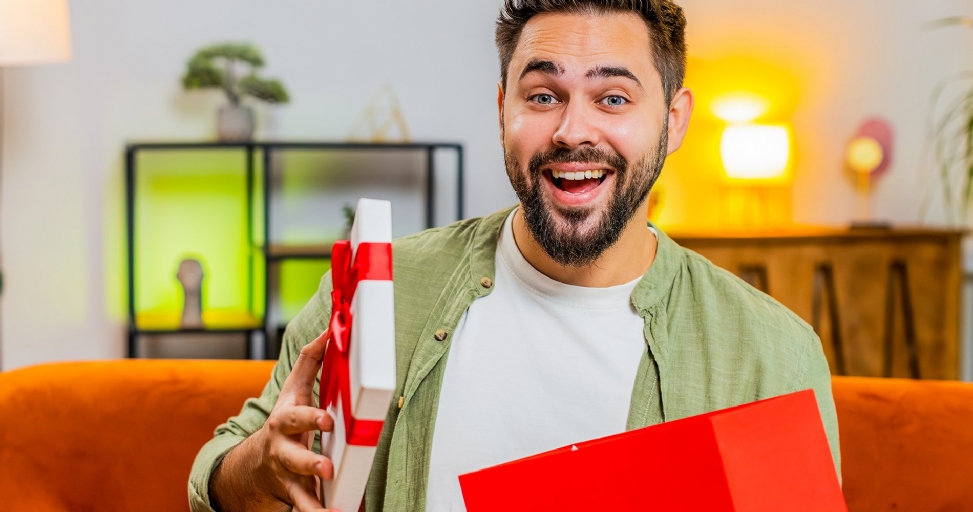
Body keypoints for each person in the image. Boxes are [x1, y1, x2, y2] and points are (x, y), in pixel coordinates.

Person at [190, 1, 840, 510]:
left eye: (612, 98)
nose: (571, 130)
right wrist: (263, 467)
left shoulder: (768, 353)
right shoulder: (380, 292)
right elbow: (216, 481)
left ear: (672, 121)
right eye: (541, 95)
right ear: (503, 109)